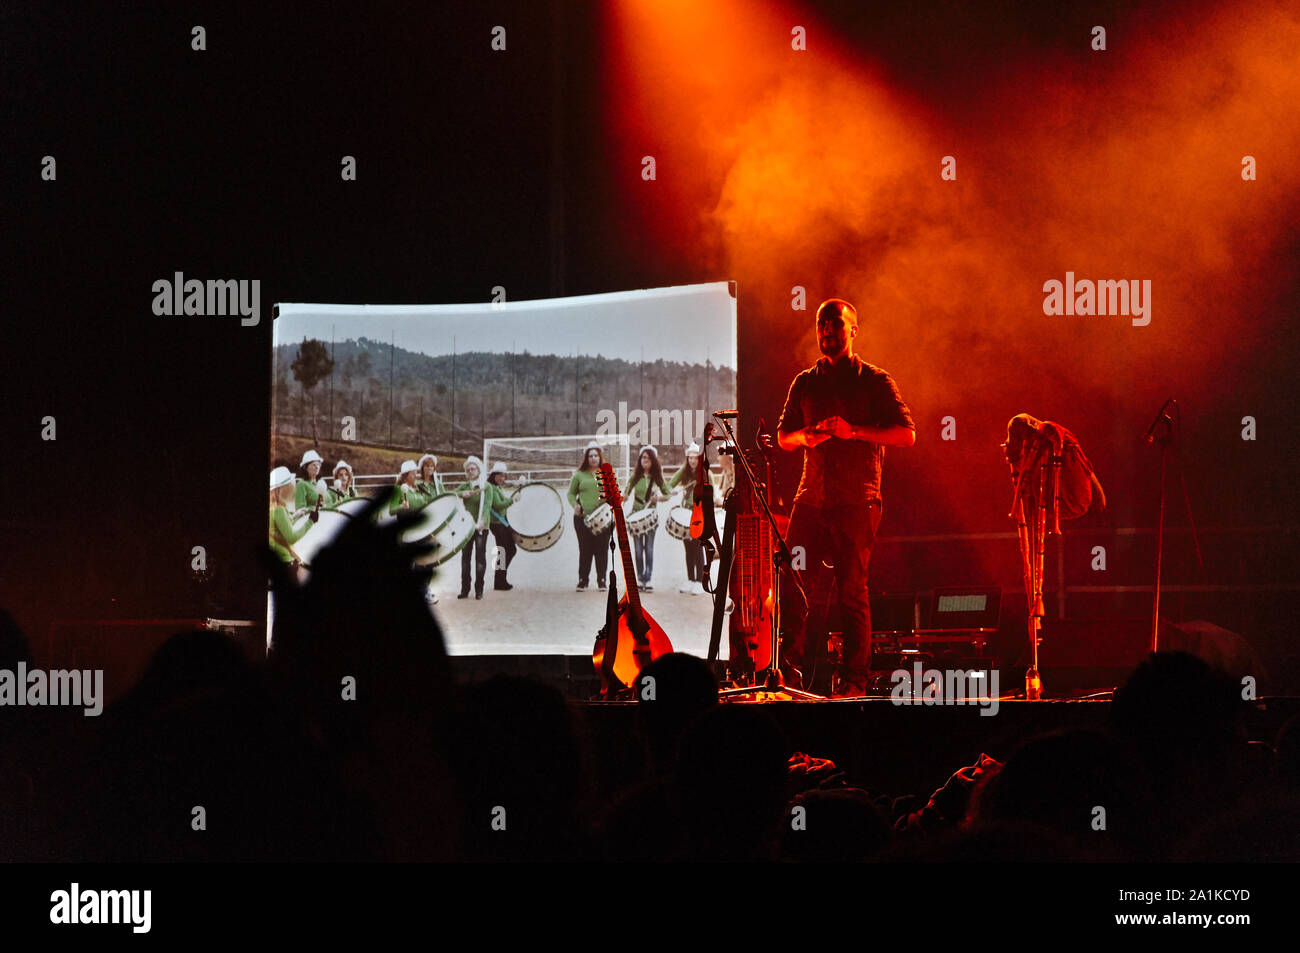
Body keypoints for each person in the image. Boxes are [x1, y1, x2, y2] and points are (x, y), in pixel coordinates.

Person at [776, 297, 915, 697]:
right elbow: (785, 437)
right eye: (822, 325)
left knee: (852, 590)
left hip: (857, 500)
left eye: (835, 325)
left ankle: (855, 682)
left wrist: (851, 431)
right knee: (795, 584)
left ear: (853, 330)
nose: (827, 332)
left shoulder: (874, 380)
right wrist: (806, 436)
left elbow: (907, 434)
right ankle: (791, 673)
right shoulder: (805, 381)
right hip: (811, 498)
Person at [567, 441, 613, 592]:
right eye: (590, 456)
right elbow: (571, 493)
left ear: (600, 457)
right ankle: (583, 580)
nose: (593, 458)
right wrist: (575, 505)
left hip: (604, 520)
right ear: (586, 458)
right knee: (585, 549)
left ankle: (602, 580)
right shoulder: (579, 475)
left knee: (602, 549)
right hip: (583, 520)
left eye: (596, 455)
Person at [624, 445, 670, 592]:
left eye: (648, 458)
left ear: (653, 461)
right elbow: (626, 493)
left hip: (650, 517)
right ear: (640, 459)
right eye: (643, 457)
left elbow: (667, 494)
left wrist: (659, 498)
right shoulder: (634, 477)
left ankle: (648, 579)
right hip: (636, 516)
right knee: (638, 550)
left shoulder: (657, 478)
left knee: (649, 549)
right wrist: (621, 498)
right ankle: (640, 578)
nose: (645, 460)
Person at [666, 442, 710, 594]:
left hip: (699, 514)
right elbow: (670, 484)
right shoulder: (684, 472)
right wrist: (670, 491)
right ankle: (690, 579)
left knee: (698, 548)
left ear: (699, 459)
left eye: (695, 458)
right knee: (688, 549)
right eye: (690, 458)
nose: (692, 461)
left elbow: (712, 494)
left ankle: (699, 581)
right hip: (686, 512)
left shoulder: (704, 473)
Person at [269, 466, 315, 580]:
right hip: (286, 562)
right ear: (282, 488)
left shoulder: (273, 507)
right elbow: (291, 538)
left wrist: (295, 515)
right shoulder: (279, 509)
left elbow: (280, 528)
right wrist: (311, 521)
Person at [455, 456, 491, 599]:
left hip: (481, 526)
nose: (470, 471)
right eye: (468, 469)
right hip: (467, 528)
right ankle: (465, 589)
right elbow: (451, 495)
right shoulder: (464, 486)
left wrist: (482, 520)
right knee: (465, 559)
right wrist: (461, 494)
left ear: (479, 470)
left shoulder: (486, 486)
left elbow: (487, 506)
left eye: (473, 468)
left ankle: (479, 589)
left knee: (480, 558)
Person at [485, 462, 518, 591]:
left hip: (502, 522)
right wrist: (512, 500)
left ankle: (500, 580)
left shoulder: (496, 487)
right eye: (500, 476)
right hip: (497, 524)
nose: (502, 479)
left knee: (505, 551)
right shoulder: (491, 488)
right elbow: (498, 505)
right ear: (494, 475)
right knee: (505, 551)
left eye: (504, 476)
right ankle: (499, 581)